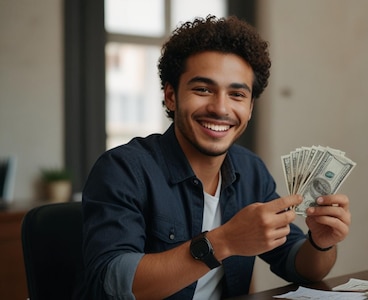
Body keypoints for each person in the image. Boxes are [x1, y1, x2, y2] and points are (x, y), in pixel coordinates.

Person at [74, 15, 351, 299]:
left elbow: (299, 266)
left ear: (250, 107)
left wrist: (320, 243)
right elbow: (114, 283)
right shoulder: (123, 169)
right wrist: (224, 241)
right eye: (203, 89)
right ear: (171, 96)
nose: (220, 108)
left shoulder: (251, 171)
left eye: (237, 94)